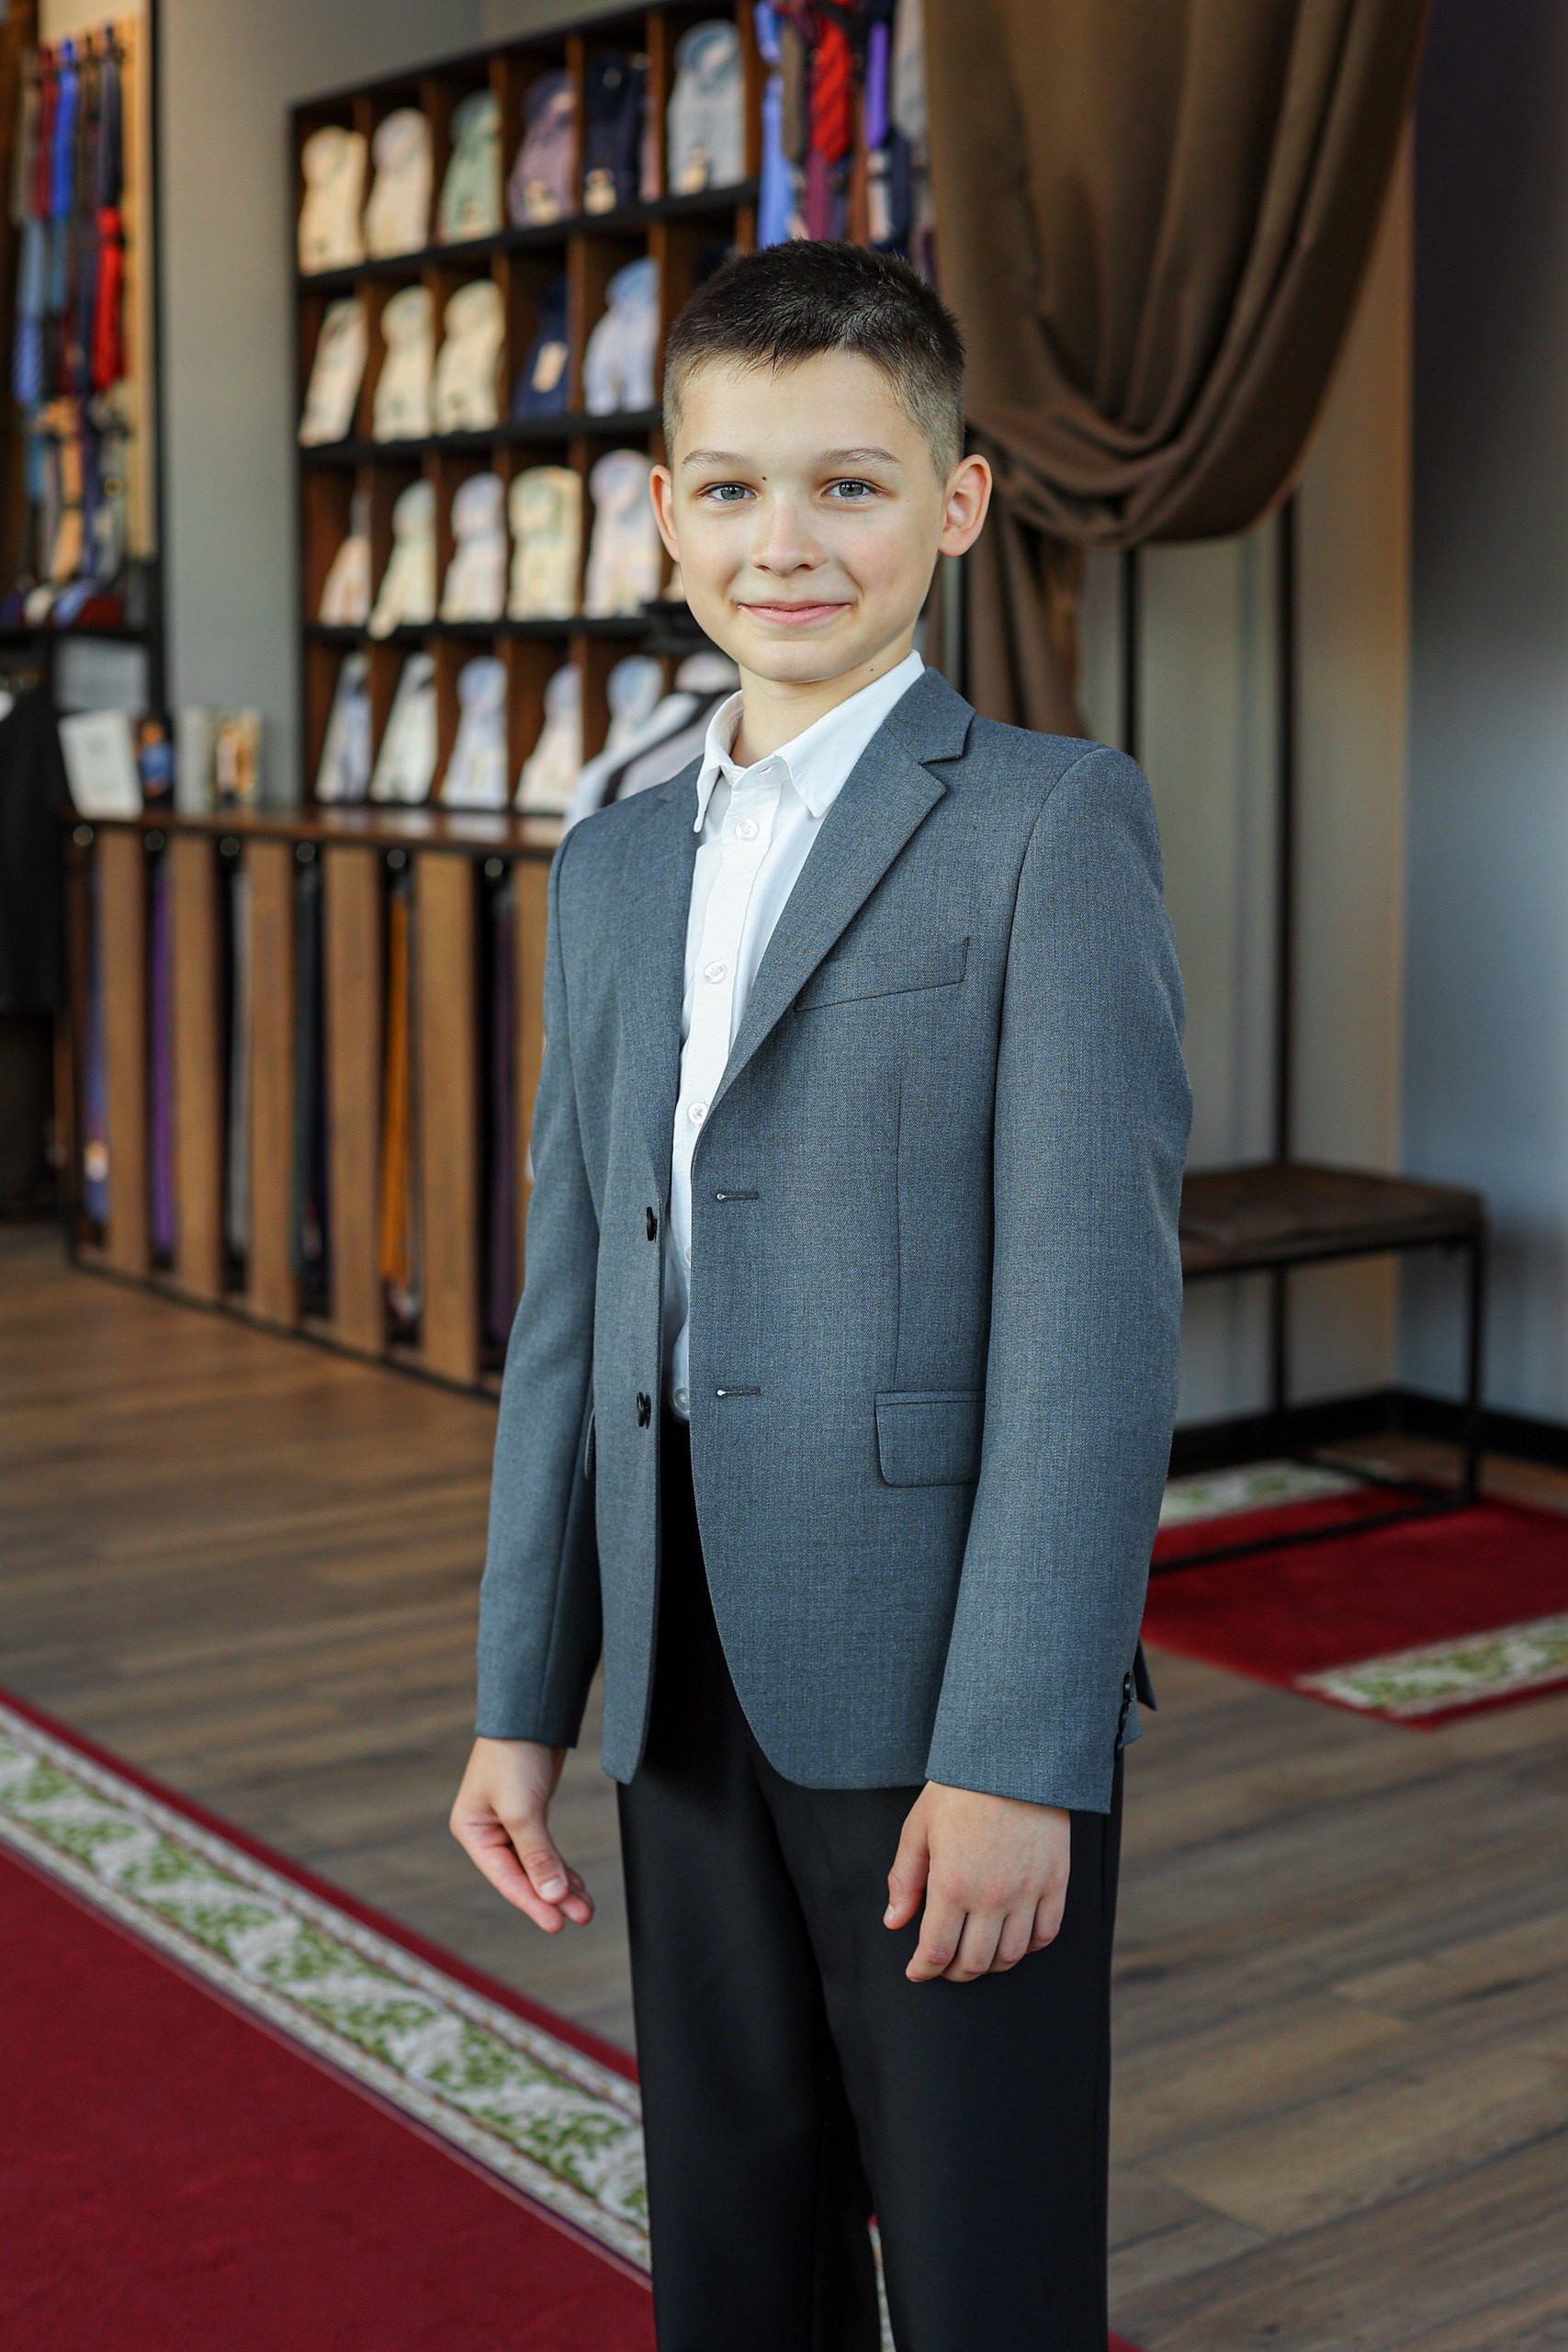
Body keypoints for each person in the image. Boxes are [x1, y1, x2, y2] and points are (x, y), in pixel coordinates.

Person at [450, 238, 1190, 2349]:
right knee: (734, 2232)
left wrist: (1021, 1746)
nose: (784, 540)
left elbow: (1089, 1330)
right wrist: (521, 1690)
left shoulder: (1050, 824)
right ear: (663, 511)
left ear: (953, 504)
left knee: (976, 2258)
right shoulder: (609, 865)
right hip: (674, 1651)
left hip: (934, 1666)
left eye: (848, 485)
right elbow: (573, 1310)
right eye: (732, 486)